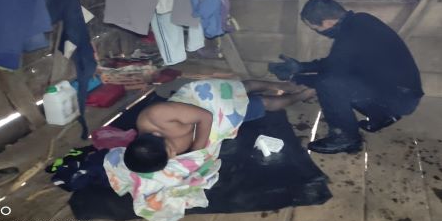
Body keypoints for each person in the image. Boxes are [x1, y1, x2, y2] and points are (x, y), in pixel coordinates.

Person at [268, 0, 424, 154]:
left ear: (328, 23)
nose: (316, 31)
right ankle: (381, 116)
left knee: (328, 85)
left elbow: (330, 77)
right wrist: (301, 67)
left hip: (398, 98)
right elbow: (335, 62)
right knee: (340, 83)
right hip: (404, 92)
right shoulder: (361, 21)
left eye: (314, 28)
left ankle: (346, 138)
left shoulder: (349, 36)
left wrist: (295, 78)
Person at [123, 79, 314, 173]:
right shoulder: (151, 148)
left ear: (156, 134)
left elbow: (205, 116)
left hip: (207, 103)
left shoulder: (157, 116)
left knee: (241, 87)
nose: (173, 155)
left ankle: (278, 84)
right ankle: (302, 96)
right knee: (263, 104)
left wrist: (199, 149)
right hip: (214, 120)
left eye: (170, 150)